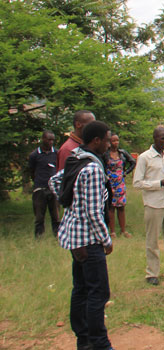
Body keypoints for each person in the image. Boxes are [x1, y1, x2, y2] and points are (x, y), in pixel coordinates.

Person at [49, 120, 115, 350]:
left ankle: (83, 338)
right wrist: (106, 240)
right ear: (96, 141)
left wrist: (70, 204)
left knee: (81, 289)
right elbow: (94, 213)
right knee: (99, 292)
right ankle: (99, 342)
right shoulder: (93, 169)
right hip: (89, 240)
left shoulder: (76, 157)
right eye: (107, 140)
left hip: (74, 238)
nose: (109, 144)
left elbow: (54, 181)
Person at [133, 126, 164, 286]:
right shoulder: (144, 158)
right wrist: (159, 183)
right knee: (153, 239)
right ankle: (152, 273)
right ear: (154, 138)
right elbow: (137, 183)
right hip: (153, 203)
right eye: (163, 138)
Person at [103, 133, 136, 238]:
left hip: (120, 182)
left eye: (117, 140)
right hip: (110, 183)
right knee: (111, 207)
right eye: (113, 141)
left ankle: (123, 230)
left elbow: (133, 162)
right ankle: (112, 231)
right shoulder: (105, 154)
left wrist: (126, 172)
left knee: (121, 206)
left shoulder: (122, 153)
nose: (115, 143)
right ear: (109, 142)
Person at [28, 130, 60, 238]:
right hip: (40, 188)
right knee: (39, 216)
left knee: (56, 216)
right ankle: (39, 237)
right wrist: (37, 181)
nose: (51, 142)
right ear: (43, 139)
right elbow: (31, 171)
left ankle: (57, 236)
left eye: (52, 140)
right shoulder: (34, 155)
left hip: (53, 189)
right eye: (49, 139)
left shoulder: (56, 153)